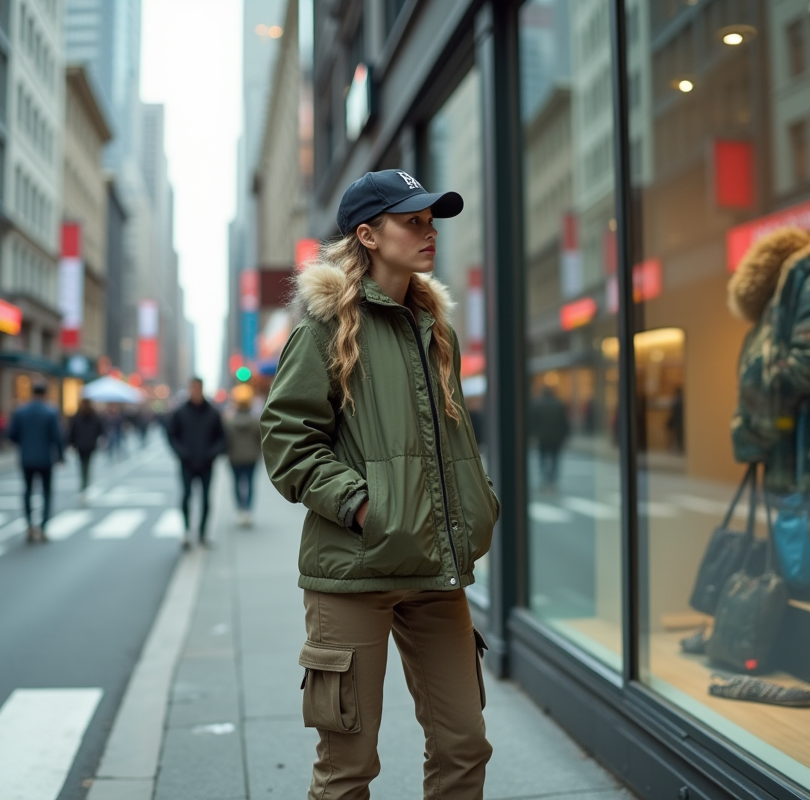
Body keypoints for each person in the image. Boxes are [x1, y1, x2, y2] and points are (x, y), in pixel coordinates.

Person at [261, 169, 500, 799]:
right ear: (367, 235)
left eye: (431, 221)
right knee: (347, 769)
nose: (429, 233)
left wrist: (481, 501)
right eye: (412, 221)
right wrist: (367, 506)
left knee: (464, 746)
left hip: (434, 569)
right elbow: (287, 442)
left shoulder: (435, 329)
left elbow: (452, 442)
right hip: (354, 570)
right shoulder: (322, 327)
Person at [167, 377, 226, 548]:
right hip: (186, 463)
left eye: (198, 388)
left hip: (207, 464)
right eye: (192, 388)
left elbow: (222, 438)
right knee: (186, 496)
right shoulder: (180, 412)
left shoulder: (213, 413)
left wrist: (212, 454)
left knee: (206, 499)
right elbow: (171, 435)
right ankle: (186, 531)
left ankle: (202, 533)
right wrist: (181, 453)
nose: (195, 391)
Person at [7, 382, 65, 542]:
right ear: (45, 393)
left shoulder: (20, 412)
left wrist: (24, 443)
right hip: (46, 459)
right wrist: (61, 456)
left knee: (27, 491)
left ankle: (29, 525)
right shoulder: (50, 412)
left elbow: (11, 434)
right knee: (46, 492)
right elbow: (57, 437)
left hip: (26, 458)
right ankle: (44, 526)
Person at [225, 397, 262, 527]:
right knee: (250, 483)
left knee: (236, 483)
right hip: (251, 457)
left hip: (234, 457)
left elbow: (226, 441)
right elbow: (260, 439)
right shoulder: (255, 422)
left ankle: (240, 510)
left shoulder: (229, 422)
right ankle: (248, 511)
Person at [530, 386, 570, 494]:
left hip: (542, 438)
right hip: (556, 438)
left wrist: (533, 436)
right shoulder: (559, 404)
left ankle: (545, 480)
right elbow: (565, 422)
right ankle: (551, 481)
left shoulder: (537, 405)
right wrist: (566, 436)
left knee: (543, 459)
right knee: (555, 460)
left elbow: (532, 422)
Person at [67, 398, 105, 501]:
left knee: (82, 465)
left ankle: (83, 485)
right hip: (90, 445)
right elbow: (100, 430)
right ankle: (85, 484)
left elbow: (72, 431)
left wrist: (71, 443)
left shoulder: (77, 416)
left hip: (80, 445)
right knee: (87, 465)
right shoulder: (93, 416)